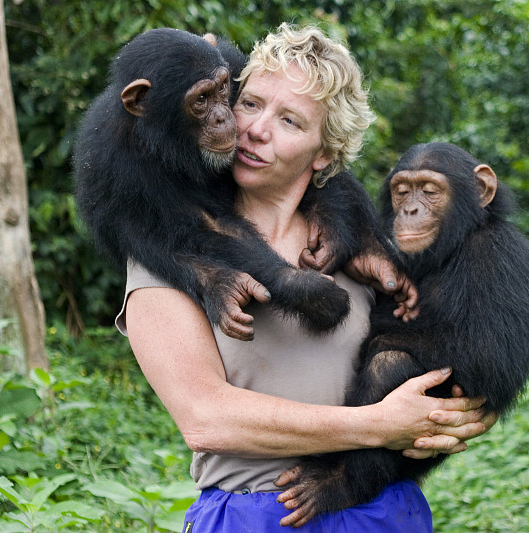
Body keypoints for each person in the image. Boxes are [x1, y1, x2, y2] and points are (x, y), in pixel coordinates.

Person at [116, 23, 493, 532]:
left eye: (289, 120)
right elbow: (205, 419)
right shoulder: (173, 249)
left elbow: (446, 359)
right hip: (258, 513)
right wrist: (377, 426)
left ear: (324, 154)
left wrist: (464, 411)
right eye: (249, 103)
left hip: (383, 511)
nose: (254, 129)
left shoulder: (363, 250)